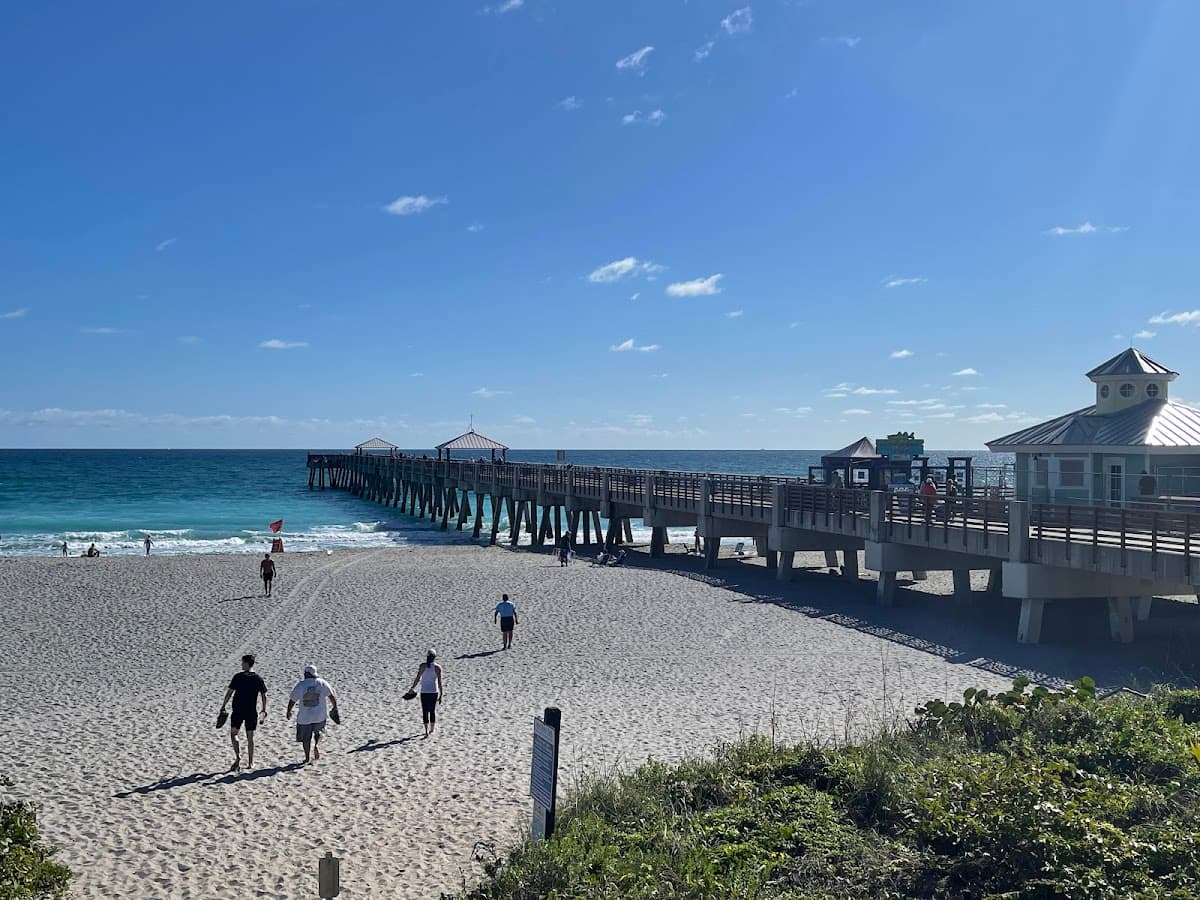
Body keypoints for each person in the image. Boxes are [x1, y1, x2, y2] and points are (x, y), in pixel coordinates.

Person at [219, 654, 267, 772]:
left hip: (238, 710)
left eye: (242, 663)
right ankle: (251, 763)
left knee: (234, 734)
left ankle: (238, 756)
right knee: (250, 737)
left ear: (246, 663)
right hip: (251, 711)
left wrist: (223, 705)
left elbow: (229, 693)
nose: (241, 664)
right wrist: (264, 709)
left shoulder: (238, 677)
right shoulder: (258, 678)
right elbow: (264, 695)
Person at [286, 664, 338, 764]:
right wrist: (335, 707)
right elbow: (331, 696)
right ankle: (317, 745)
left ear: (306, 674)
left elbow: (292, 700)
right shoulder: (322, 683)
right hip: (319, 715)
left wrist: (288, 711)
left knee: (306, 738)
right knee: (320, 732)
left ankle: (306, 758)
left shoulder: (301, 685)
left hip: (304, 717)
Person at [408, 649, 443, 738]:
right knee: (432, 711)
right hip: (434, 691)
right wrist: (441, 694)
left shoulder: (422, 666)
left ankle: (426, 731)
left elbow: (417, 678)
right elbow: (439, 682)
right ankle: (432, 729)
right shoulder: (438, 667)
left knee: (425, 711)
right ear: (435, 657)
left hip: (424, 691)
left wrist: (412, 688)